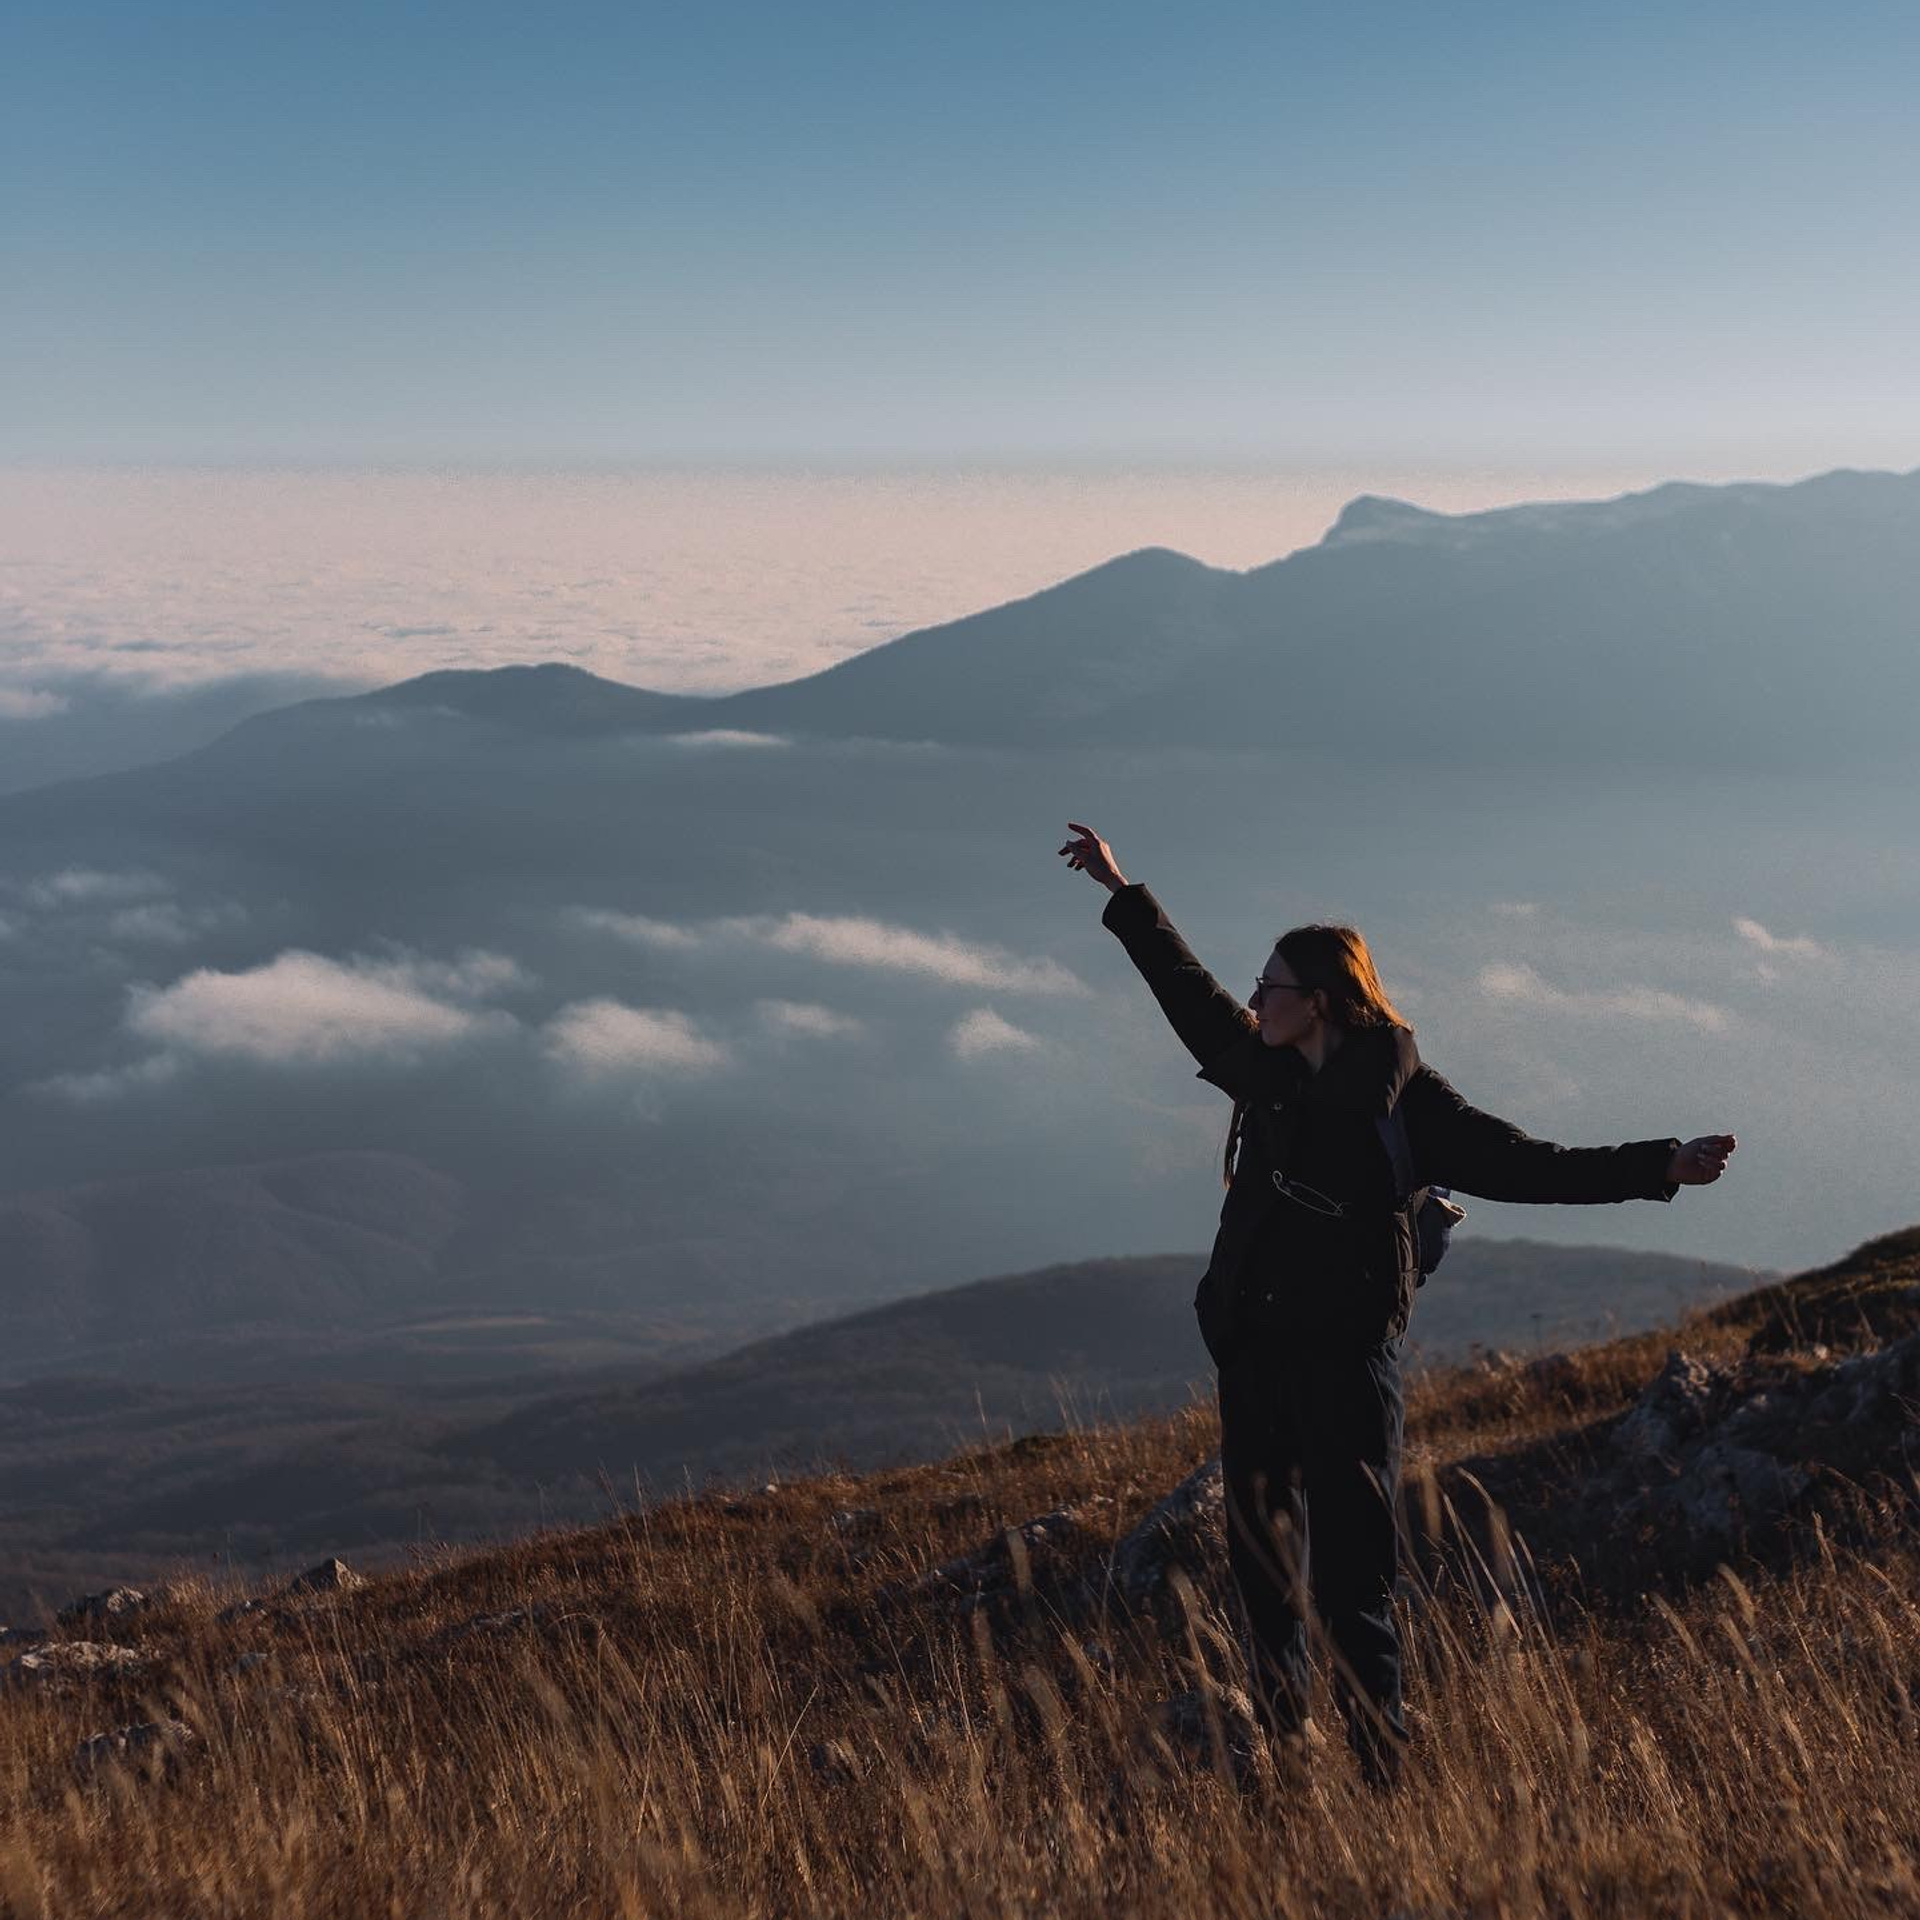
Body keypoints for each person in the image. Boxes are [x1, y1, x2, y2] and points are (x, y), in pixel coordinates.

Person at [1057, 821, 1735, 1787]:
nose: (1254, 1001)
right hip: (1255, 1356)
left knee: (1351, 1582)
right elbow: (1190, 996)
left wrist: (1658, 1165)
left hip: (1346, 1366)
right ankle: (1289, 1760)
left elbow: (1523, 1164)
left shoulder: (1404, 1104)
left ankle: (1381, 1773)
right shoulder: (1268, 1067)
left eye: (1273, 988)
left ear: (1322, 1004)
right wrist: (1120, 891)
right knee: (1262, 1574)